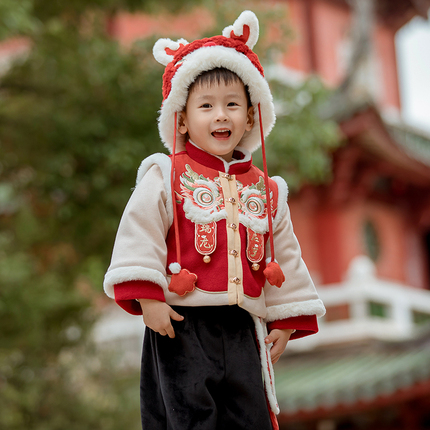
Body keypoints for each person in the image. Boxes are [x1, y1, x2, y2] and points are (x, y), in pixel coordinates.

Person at [103, 10, 325, 430]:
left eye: (232, 105)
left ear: (250, 117)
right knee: (188, 416)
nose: (220, 115)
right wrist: (149, 299)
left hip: (245, 326)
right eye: (206, 106)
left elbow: (286, 255)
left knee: (249, 415)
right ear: (182, 119)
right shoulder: (165, 175)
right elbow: (140, 232)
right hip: (182, 323)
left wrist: (285, 319)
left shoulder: (267, 190)